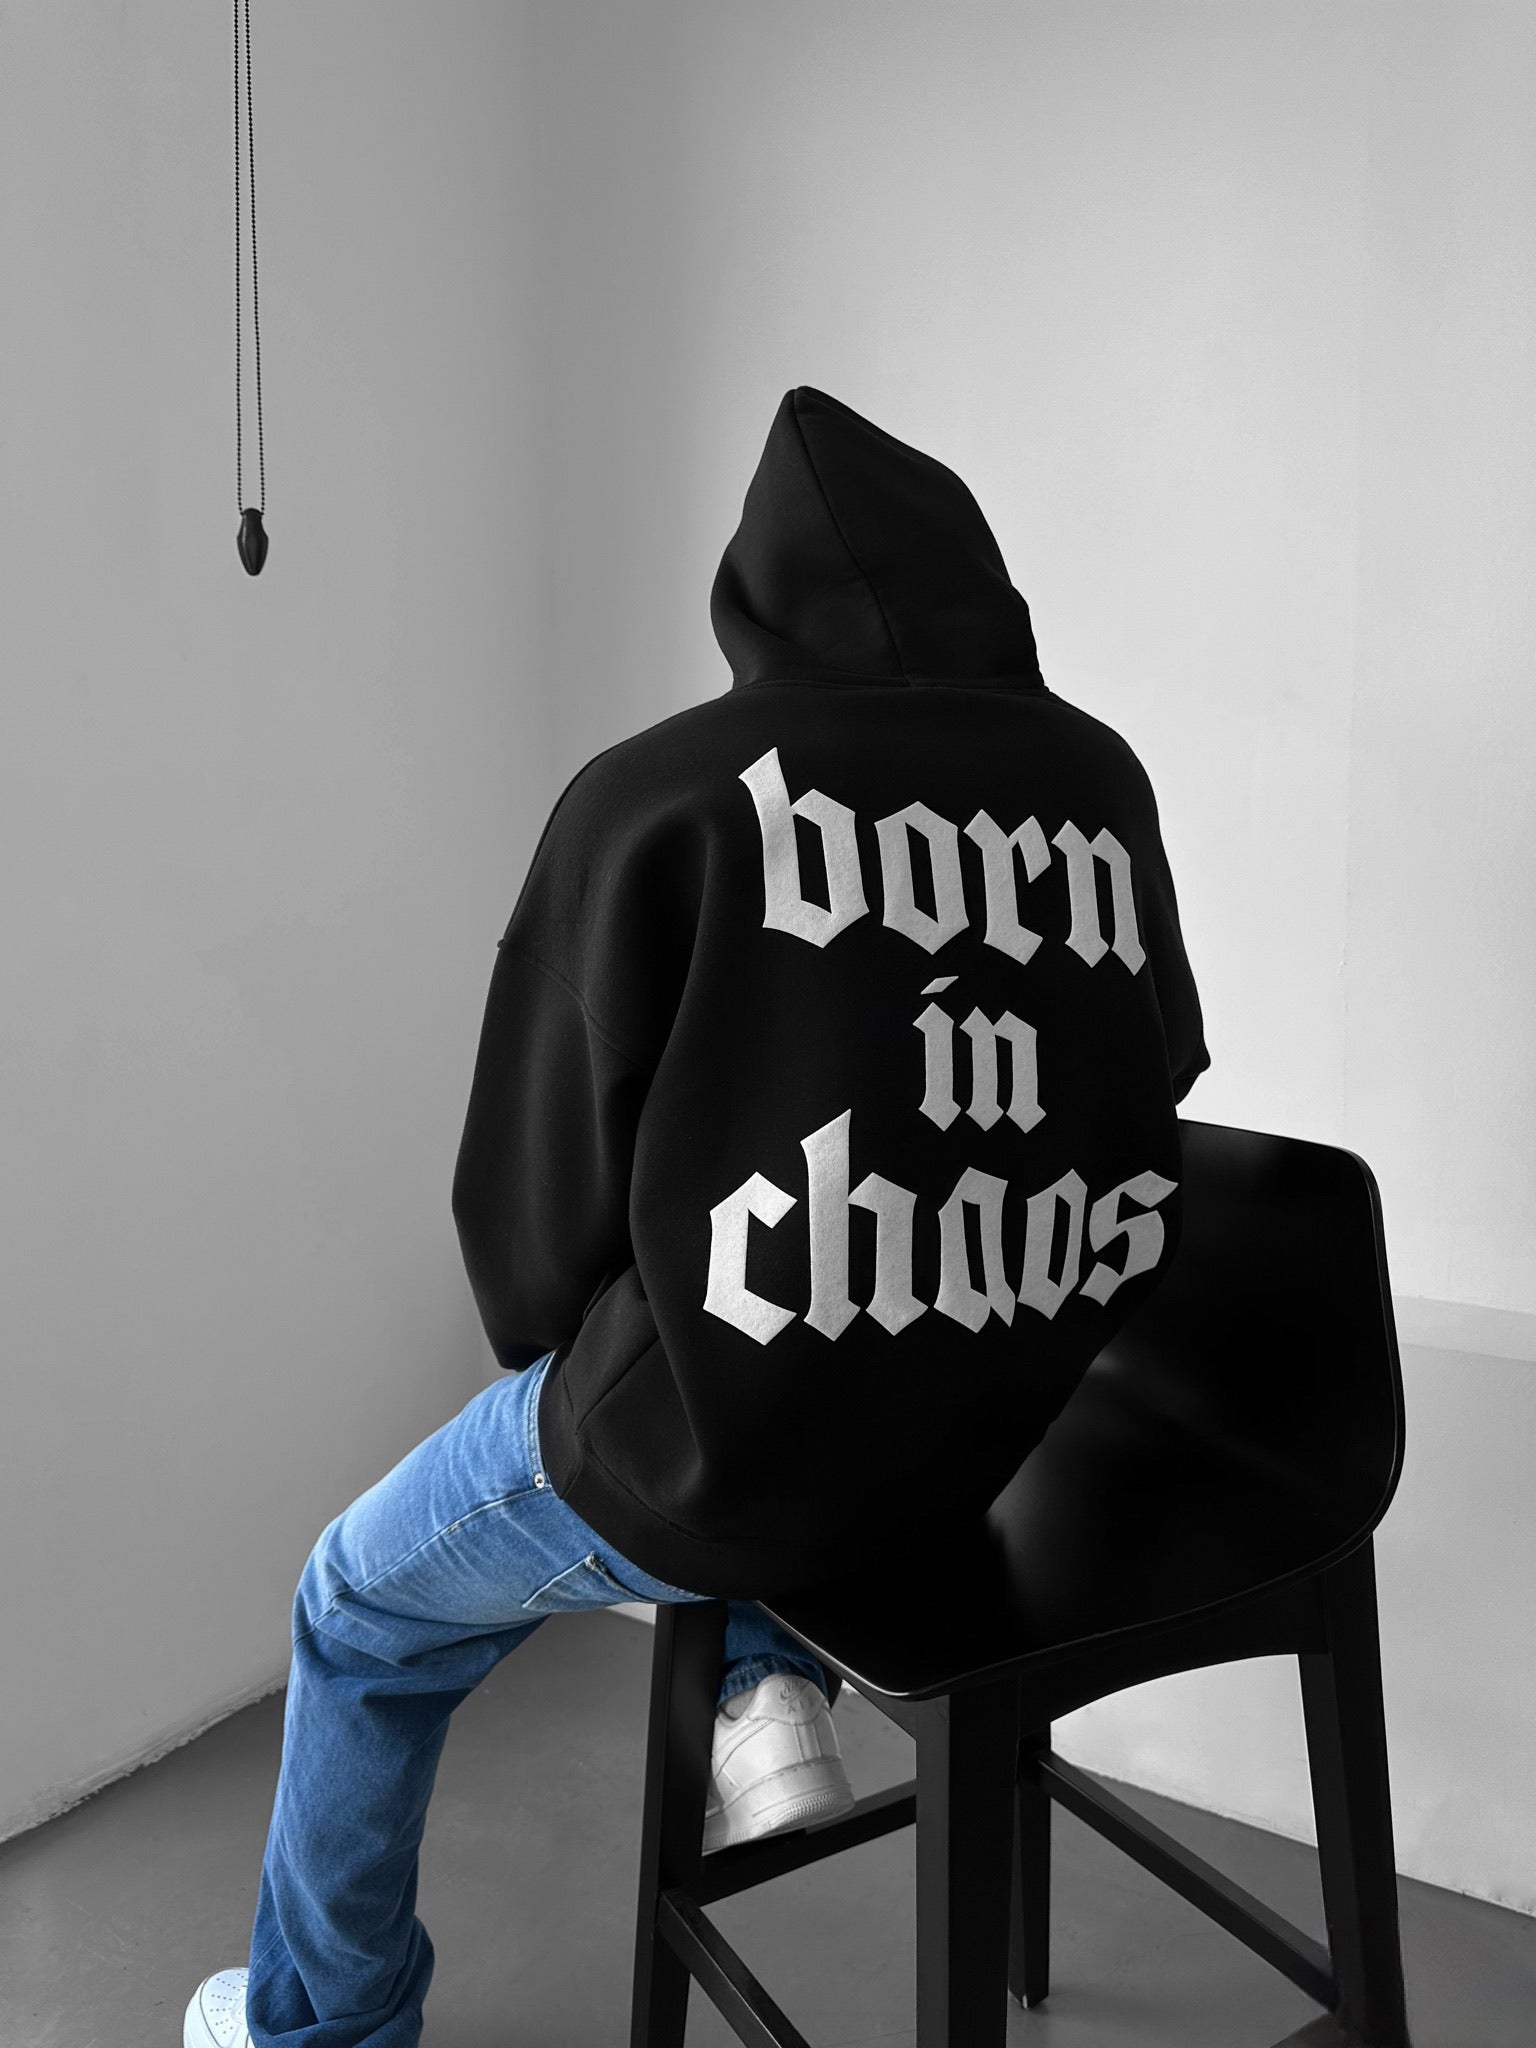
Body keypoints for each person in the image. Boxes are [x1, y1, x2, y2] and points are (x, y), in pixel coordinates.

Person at [184, 385, 1209, 2048]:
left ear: (753, 587)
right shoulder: (1103, 783)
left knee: (358, 1608)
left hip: (729, 1442)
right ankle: (766, 1675)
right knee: (789, 1373)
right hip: (984, 1427)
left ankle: (320, 2027)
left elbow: (532, 1217)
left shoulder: (656, 795)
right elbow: (1153, 1078)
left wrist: (588, 1350)